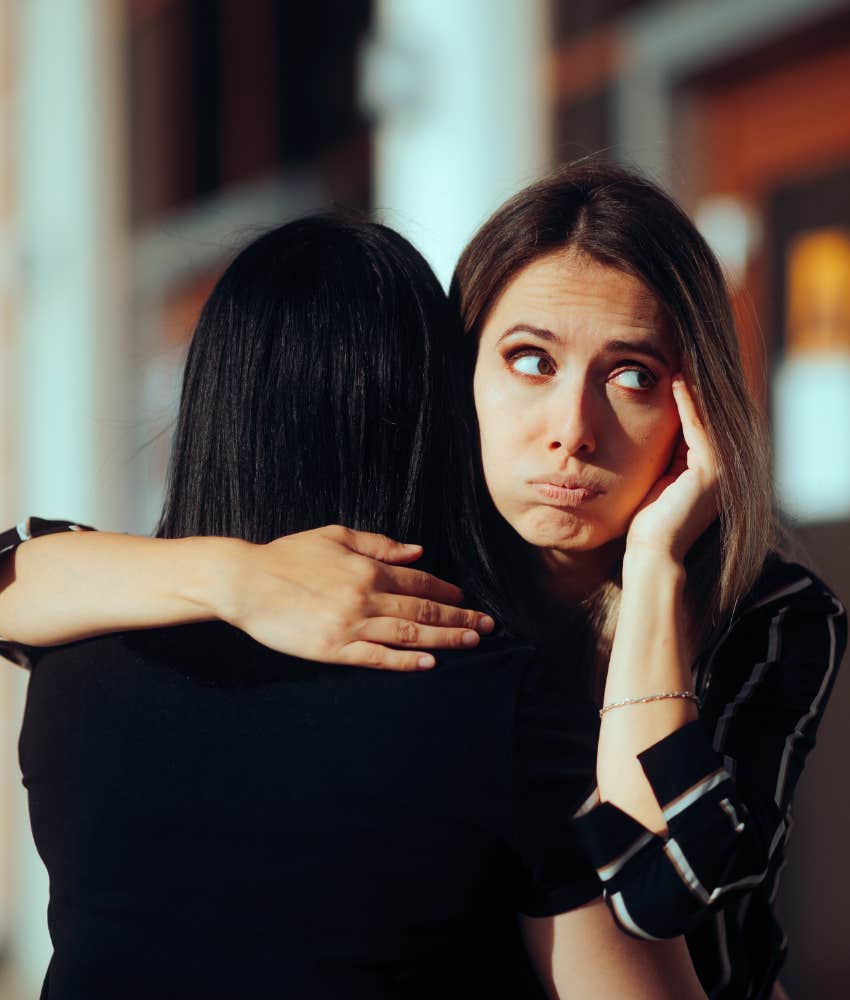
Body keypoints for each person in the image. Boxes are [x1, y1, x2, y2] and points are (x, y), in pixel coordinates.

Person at [2, 163, 843, 997]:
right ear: (457, 380)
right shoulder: (417, 589)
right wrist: (239, 576)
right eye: (530, 361)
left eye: (633, 376)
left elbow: (660, 903)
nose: (573, 431)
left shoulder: (769, 618)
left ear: (697, 407)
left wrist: (656, 576)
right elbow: (15, 571)